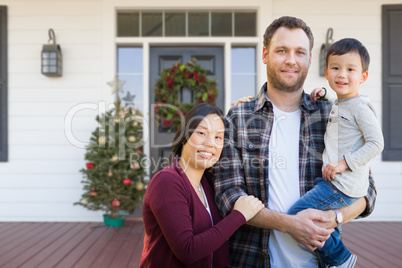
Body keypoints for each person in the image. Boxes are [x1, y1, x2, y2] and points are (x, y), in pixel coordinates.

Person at [214, 16, 377, 268]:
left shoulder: (331, 114)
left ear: (310, 59)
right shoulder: (238, 117)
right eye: (282, 51)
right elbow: (228, 195)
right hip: (252, 259)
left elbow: (367, 190)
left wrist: (334, 217)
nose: (291, 60)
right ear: (266, 55)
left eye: (299, 52)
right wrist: (291, 224)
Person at [287, 38, 384, 268]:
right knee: (330, 228)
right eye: (336, 68)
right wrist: (324, 96)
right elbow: (342, 118)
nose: (342, 74)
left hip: (341, 184)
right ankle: (331, 264)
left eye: (350, 69)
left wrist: (344, 163)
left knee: (296, 214)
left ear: (363, 77)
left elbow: (376, 143)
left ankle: (340, 258)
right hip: (334, 181)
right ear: (326, 72)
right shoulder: (341, 103)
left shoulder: (361, 107)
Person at [139, 103, 264, 268]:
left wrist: (248, 105)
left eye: (218, 137)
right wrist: (239, 215)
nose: (210, 143)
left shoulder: (209, 183)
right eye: (202, 133)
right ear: (184, 136)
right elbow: (188, 251)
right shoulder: (166, 182)